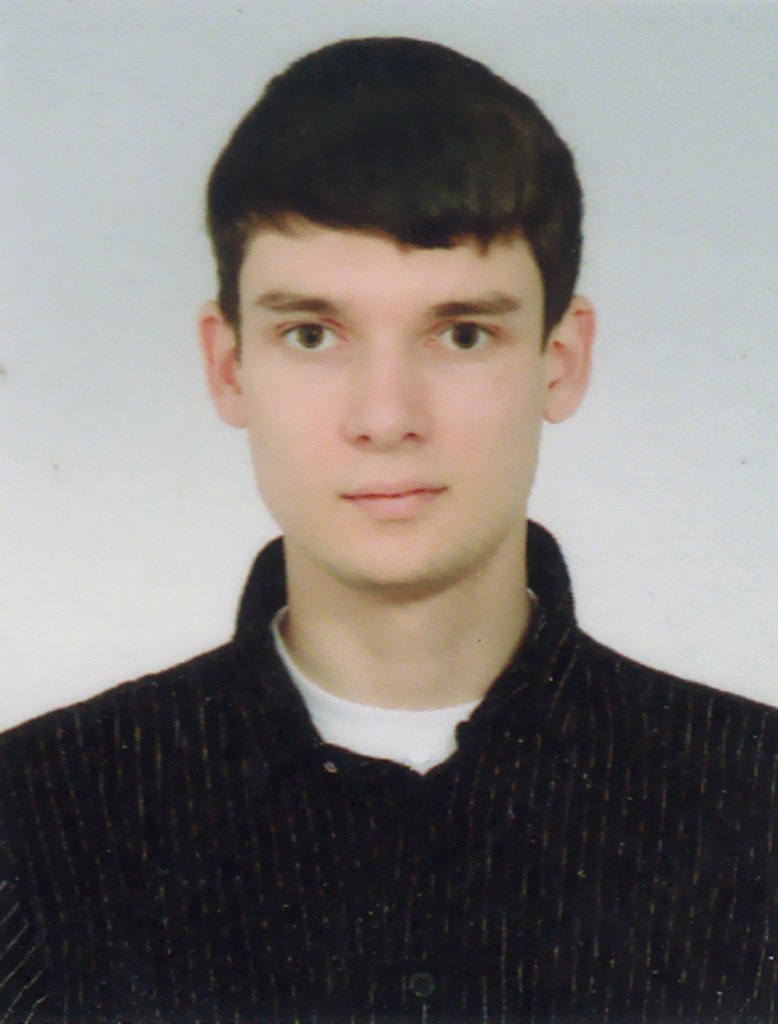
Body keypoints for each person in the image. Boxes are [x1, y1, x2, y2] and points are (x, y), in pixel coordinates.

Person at [0, 35, 775, 1024]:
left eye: (462, 333)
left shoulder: (757, 806)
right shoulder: (33, 824)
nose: (384, 416)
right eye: (311, 333)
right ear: (229, 366)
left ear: (561, 358)